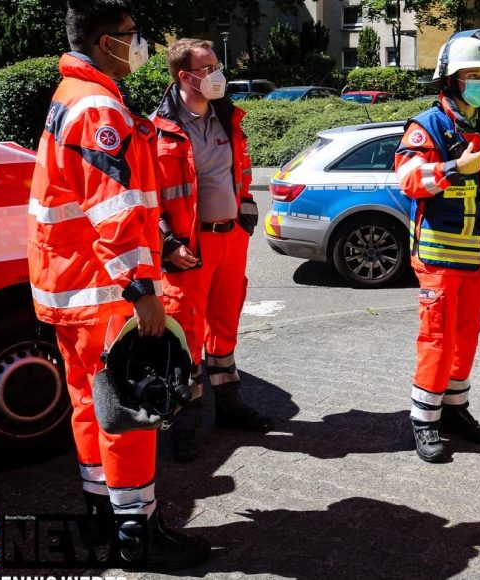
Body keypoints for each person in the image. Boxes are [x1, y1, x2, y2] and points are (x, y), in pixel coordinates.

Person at [27, 0, 208, 569]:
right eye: (132, 35)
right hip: (103, 291)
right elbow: (117, 212)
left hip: (69, 288)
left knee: (91, 407)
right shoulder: (98, 107)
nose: (139, 44)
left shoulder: (71, 97)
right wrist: (142, 290)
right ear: (107, 42)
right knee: (131, 412)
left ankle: (103, 515)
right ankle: (139, 537)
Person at [394, 30, 480, 463]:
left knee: (466, 339)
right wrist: (451, 167)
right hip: (440, 255)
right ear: (449, 79)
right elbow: (408, 181)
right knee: (437, 339)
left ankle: (454, 409)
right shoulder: (426, 125)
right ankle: (424, 421)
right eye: (471, 74)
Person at [153, 38, 272, 462]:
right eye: (209, 67)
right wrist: (166, 242)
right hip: (189, 248)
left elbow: (241, 170)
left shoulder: (227, 117)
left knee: (224, 326)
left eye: (217, 64)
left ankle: (230, 406)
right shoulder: (157, 130)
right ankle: (183, 422)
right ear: (186, 76)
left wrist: (245, 216)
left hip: (229, 242)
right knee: (186, 336)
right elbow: (146, 196)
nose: (218, 74)